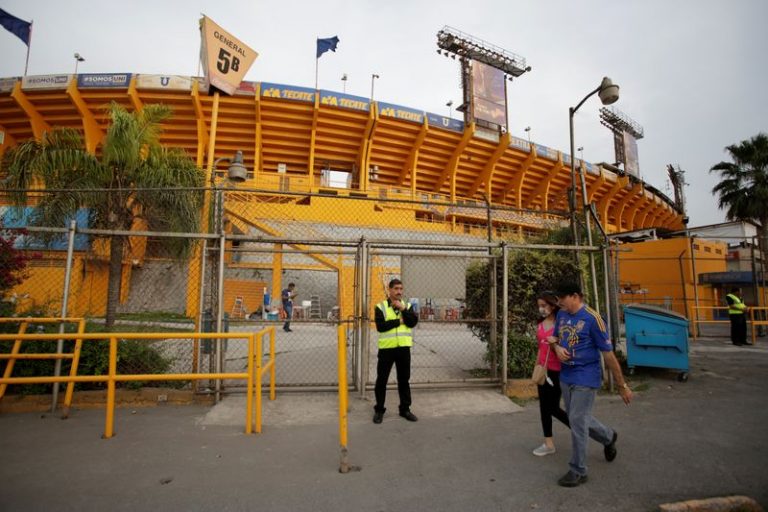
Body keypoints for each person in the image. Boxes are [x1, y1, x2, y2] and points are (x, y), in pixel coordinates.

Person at [546, 282, 632, 487]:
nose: (559, 303)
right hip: (566, 376)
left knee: (576, 419)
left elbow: (608, 354)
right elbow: (555, 338)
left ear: (575, 296)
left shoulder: (594, 319)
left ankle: (579, 470)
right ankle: (608, 436)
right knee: (578, 418)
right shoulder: (562, 315)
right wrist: (556, 348)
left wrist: (622, 385)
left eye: (562, 299)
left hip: (587, 376)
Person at [373, 278, 419, 424]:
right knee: (382, 380)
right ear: (390, 289)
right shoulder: (380, 307)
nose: (399, 291)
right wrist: (399, 321)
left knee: (404, 380)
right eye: (396, 289)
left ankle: (405, 409)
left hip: (403, 349)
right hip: (387, 349)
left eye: (401, 289)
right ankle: (379, 410)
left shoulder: (408, 306)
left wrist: (403, 309)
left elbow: (412, 322)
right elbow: (381, 326)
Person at [532, 291, 570, 456]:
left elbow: (567, 347)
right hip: (543, 369)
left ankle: (580, 428)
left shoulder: (562, 323)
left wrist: (557, 343)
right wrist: (536, 368)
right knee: (544, 408)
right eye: (539, 306)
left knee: (552, 407)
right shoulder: (540, 323)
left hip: (557, 371)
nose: (541, 309)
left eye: (544, 305)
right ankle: (548, 443)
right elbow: (540, 348)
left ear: (553, 305)